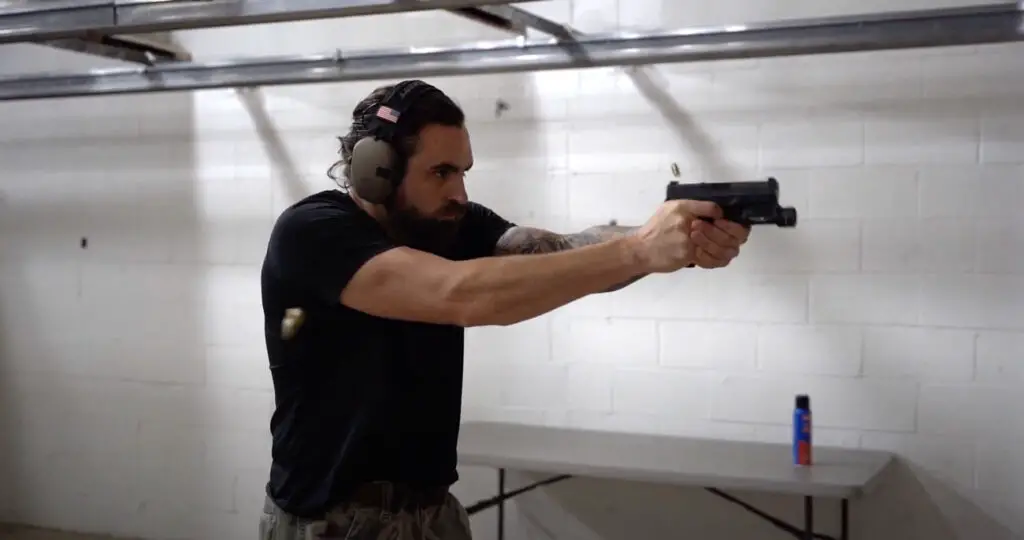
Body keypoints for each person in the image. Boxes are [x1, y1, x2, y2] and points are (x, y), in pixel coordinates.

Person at [258, 79, 750, 540]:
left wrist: (678, 240)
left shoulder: (450, 223)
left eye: (463, 172)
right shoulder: (314, 233)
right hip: (331, 523)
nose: (460, 192)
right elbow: (460, 294)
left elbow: (565, 253)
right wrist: (641, 249)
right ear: (377, 174)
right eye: (441, 173)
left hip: (431, 513)